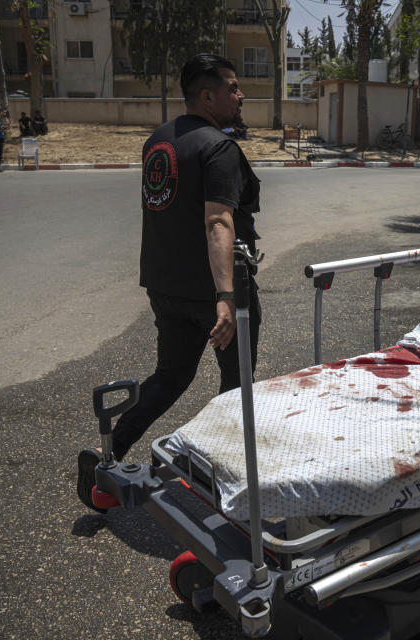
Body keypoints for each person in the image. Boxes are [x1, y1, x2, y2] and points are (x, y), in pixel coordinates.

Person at [77, 53, 262, 511]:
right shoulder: (219, 148)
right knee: (236, 387)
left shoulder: (158, 141)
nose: (240, 96)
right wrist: (225, 297)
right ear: (207, 95)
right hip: (213, 291)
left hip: (165, 285)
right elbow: (218, 220)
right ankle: (221, 483)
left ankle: (109, 452)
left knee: (172, 376)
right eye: (233, 88)